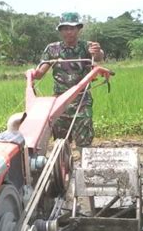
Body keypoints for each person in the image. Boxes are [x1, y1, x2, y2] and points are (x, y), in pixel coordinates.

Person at [32, 12, 104, 150]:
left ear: (78, 29)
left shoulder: (87, 47)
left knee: (84, 141)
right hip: (60, 101)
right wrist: (32, 74)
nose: (69, 32)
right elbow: (41, 73)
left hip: (81, 101)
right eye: (65, 28)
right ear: (60, 31)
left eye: (72, 28)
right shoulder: (52, 49)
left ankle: (85, 167)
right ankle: (63, 168)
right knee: (60, 142)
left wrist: (97, 52)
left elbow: (99, 57)